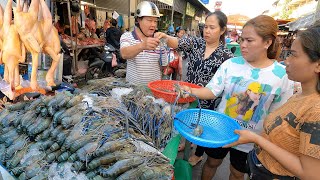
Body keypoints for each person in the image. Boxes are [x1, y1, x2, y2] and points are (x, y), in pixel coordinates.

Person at [179, 15, 294, 180]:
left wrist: (264, 143)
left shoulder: (282, 76)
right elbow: (212, 90)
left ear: (267, 42)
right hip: (220, 129)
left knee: (238, 173)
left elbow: (277, 117)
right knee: (211, 163)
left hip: (250, 139)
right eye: (241, 39)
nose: (243, 45)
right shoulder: (231, 65)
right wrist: (190, 90)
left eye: (249, 40)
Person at [224, 22, 320, 180]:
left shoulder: (316, 111)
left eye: (294, 55)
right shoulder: (302, 94)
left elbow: (311, 174)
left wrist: (257, 139)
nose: (286, 61)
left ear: (317, 65)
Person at [155, 11, 234, 166]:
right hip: (188, 94)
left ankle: (198, 153)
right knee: (187, 121)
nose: (207, 31)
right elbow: (177, 42)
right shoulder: (196, 43)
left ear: (222, 30)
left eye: (212, 27)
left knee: (203, 127)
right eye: (205, 27)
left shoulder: (226, 56)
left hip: (209, 100)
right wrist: (165, 37)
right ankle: (186, 143)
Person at [120, 1, 167, 85]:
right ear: (138, 20)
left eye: (155, 21)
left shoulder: (159, 40)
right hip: (133, 91)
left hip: (154, 91)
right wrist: (142, 45)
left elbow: (164, 66)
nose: (153, 25)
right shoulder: (127, 36)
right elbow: (124, 53)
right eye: (149, 20)